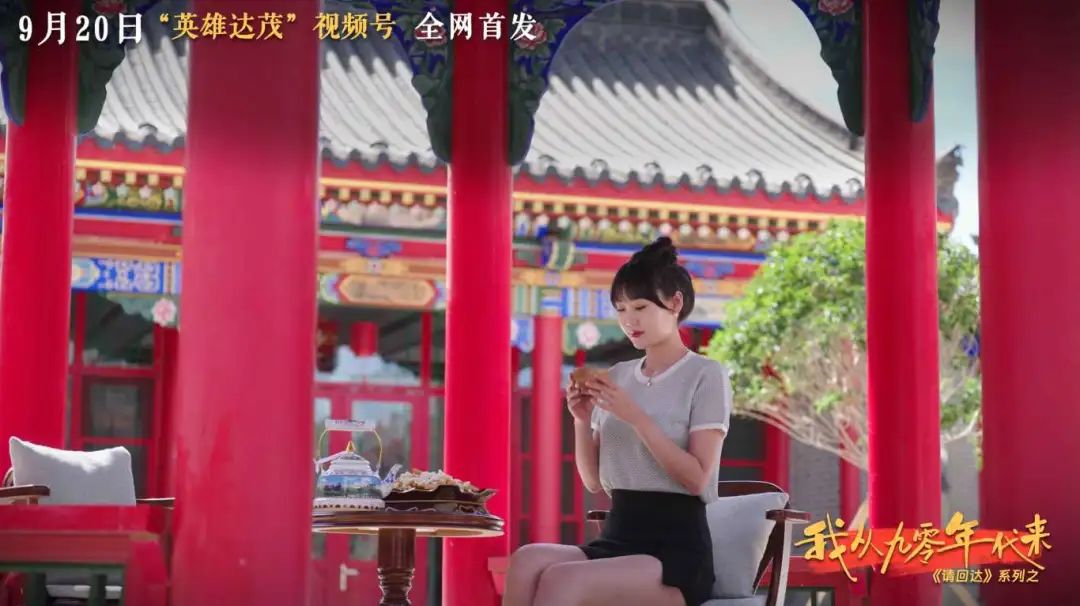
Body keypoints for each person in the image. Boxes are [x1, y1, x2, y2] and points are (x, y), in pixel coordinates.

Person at [503, 237, 732, 606]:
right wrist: (581, 421)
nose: (629, 320)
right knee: (526, 560)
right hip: (618, 536)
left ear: (675, 303)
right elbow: (594, 481)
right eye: (621, 309)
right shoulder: (618, 376)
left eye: (640, 307)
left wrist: (637, 418)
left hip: (674, 552)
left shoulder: (706, 374)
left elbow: (696, 479)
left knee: (564, 579)